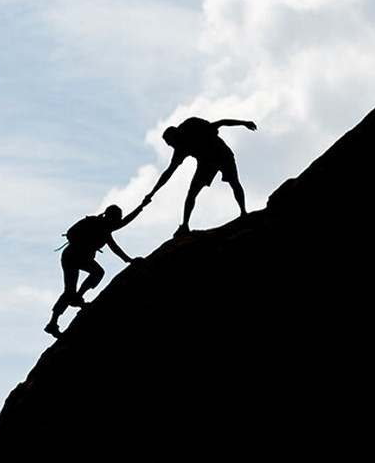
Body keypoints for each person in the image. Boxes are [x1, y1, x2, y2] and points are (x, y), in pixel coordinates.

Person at [46, 200, 146, 338]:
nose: (118, 221)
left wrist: (141, 207)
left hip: (80, 258)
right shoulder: (97, 224)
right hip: (71, 257)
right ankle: (53, 322)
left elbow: (119, 233)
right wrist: (128, 260)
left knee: (96, 274)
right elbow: (72, 233)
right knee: (70, 290)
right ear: (110, 216)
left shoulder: (105, 228)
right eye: (117, 218)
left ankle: (77, 298)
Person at [144, 115, 258, 236]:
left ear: (175, 135)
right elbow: (168, 173)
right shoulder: (180, 149)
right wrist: (152, 193)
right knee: (192, 192)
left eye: (170, 143)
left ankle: (243, 212)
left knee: (234, 182)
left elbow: (222, 122)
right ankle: (185, 225)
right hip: (206, 163)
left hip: (222, 154)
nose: (171, 146)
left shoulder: (192, 126)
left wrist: (244, 123)